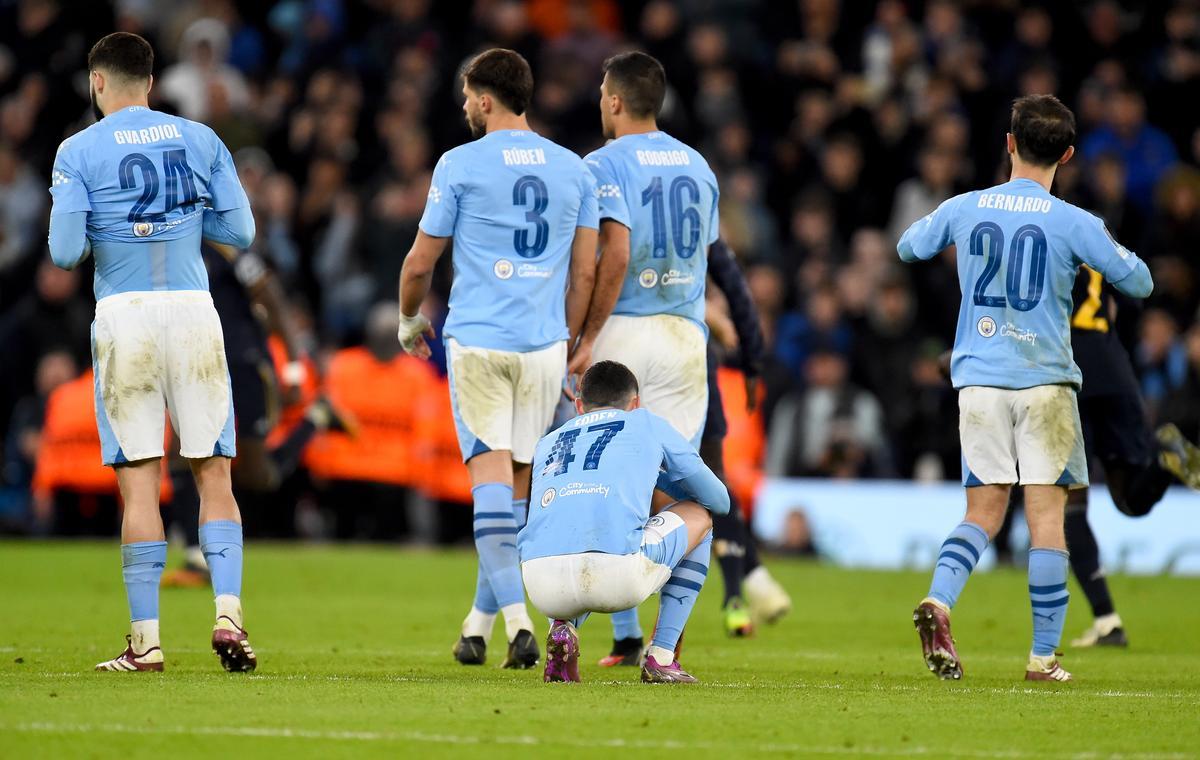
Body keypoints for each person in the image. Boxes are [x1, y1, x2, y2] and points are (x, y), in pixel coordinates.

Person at [897, 94, 1154, 683]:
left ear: (1008, 143)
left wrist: (957, 224)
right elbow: (1139, 281)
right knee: (1046, 519)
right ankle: (1042, 659)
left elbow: (908, 246)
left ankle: (939, 601)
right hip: (1046, 385)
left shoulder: (965, 206)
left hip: (978, 383)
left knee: (982, 512)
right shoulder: (1074, 221)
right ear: (1066, 153)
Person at [47, 32, 258, 672]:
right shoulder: (200, 139)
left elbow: (62, 253)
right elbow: (242, 232)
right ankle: (229, 615)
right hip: (194, 312)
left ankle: (147, 642)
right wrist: (185, 224)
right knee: (213, 473)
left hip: (125, 315)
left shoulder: (77, 150)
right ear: (152, 80)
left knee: (141, 483)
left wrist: (106, 227)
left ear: (97, 83)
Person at [396, 48, 600, 669]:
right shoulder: (574, 169)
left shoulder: (459, 163)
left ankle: (517, 623)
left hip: (480, 341)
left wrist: (409, 319)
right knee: (514, 484)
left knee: (487, 478)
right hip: (544, 346)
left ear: (486, 99)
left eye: (467, 95)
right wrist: (569, 338)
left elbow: (419, 263)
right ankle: (478, 625)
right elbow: (585, 270)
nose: (463, 105)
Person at [573, 51, 720, 665]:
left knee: (597, 476)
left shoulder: (602, 163)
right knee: (683, 492)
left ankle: (570, 635)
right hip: (685, 335)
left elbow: (616, 253)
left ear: (613, 100)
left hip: (625, 330)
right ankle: (659, 645)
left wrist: (587, 337)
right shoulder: (700, 165)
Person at [520, 361, 730, 684]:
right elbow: (719, 500)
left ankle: (561, 629)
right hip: (616, 575)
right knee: (701, 516)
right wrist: (661, 480)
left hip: (540, 584)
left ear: (578, 405)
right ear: (635, 404)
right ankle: (661, 657)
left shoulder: (549, 440)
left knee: (569, 524)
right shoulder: (645, 423)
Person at [1061, 266, 1200, 647]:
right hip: (1113, 365)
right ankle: (1162, 460)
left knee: (1066, 506)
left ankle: (1107, 622)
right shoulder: (1097, 232)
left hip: (1066, 367)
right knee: (1131, 499)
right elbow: (1121, 303)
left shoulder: (1041, 232)